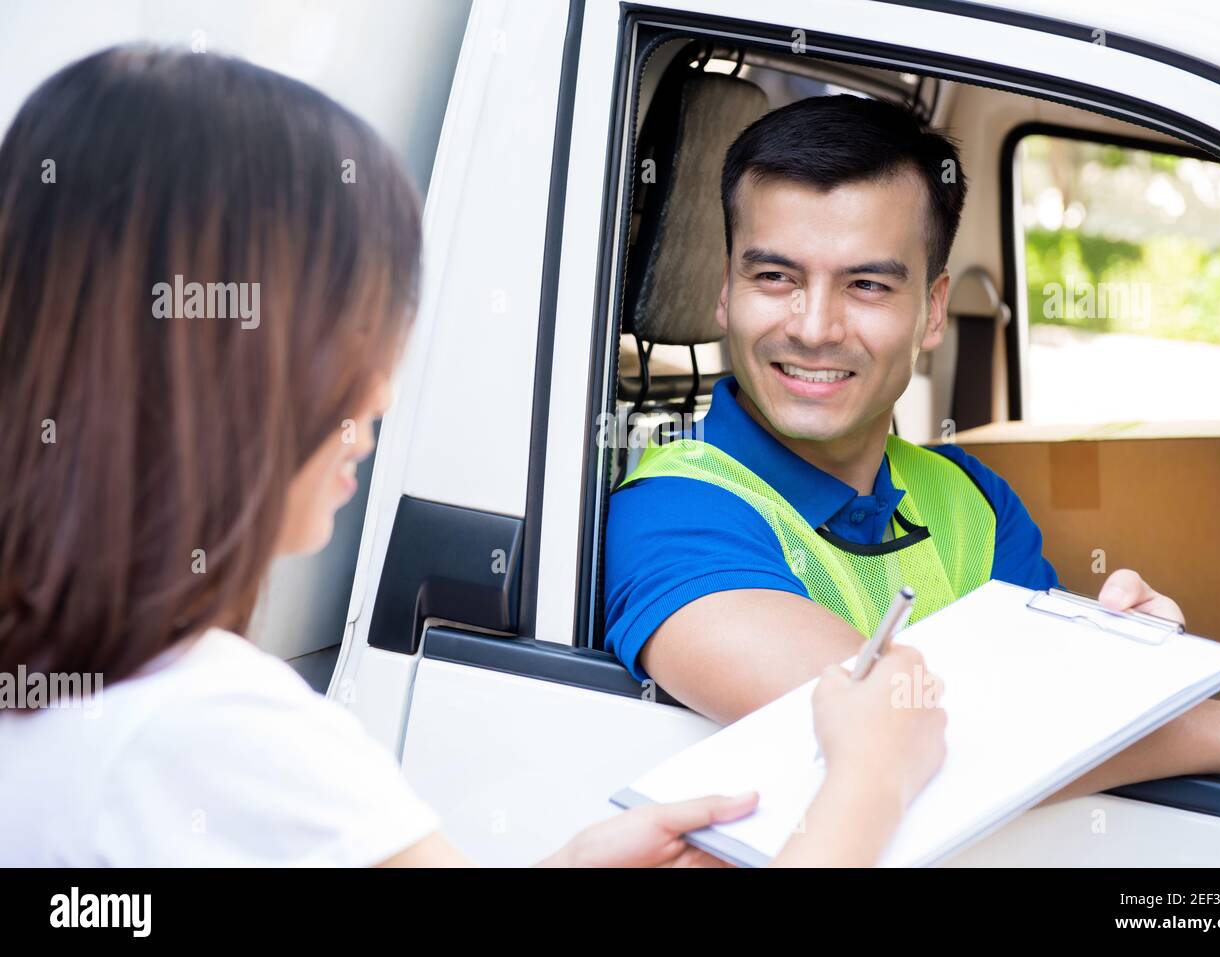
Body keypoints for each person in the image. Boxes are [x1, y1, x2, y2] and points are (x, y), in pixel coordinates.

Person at [0, 47, 946, 867]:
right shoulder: (213, 730)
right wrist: (866, 782)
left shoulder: (93, 701)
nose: (381, 394)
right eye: (355, 331)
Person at [603, 94, 1220, 794]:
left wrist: (1130, 665)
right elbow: (901, 730)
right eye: (775, 276)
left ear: (932, 312)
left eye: (867, 284)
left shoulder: (974, 496)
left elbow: (1047, 715)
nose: (813, 326)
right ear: (726, 290)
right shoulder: (672, 511)